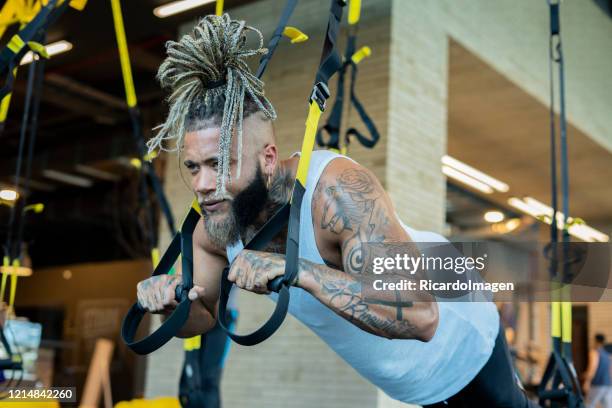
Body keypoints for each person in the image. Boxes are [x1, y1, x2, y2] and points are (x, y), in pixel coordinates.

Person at [136, 14, 537, 407]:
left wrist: (299, 271)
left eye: (221, 165)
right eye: (194, 167)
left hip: (462, 336)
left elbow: (422, 315)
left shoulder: (335, 192)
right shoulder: (215, 228)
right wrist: (171, 305)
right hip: (413, 386)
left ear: (269, 158)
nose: (204, 185)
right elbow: (203, 315)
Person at [583, 333, 612, 408]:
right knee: (608, 406)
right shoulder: (607, 353)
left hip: (597, 384)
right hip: (608, 384)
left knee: (588, 405)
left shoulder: (594, 352)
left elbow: (593, 367)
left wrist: (587, 382)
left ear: (596, 341)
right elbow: (609, 369)